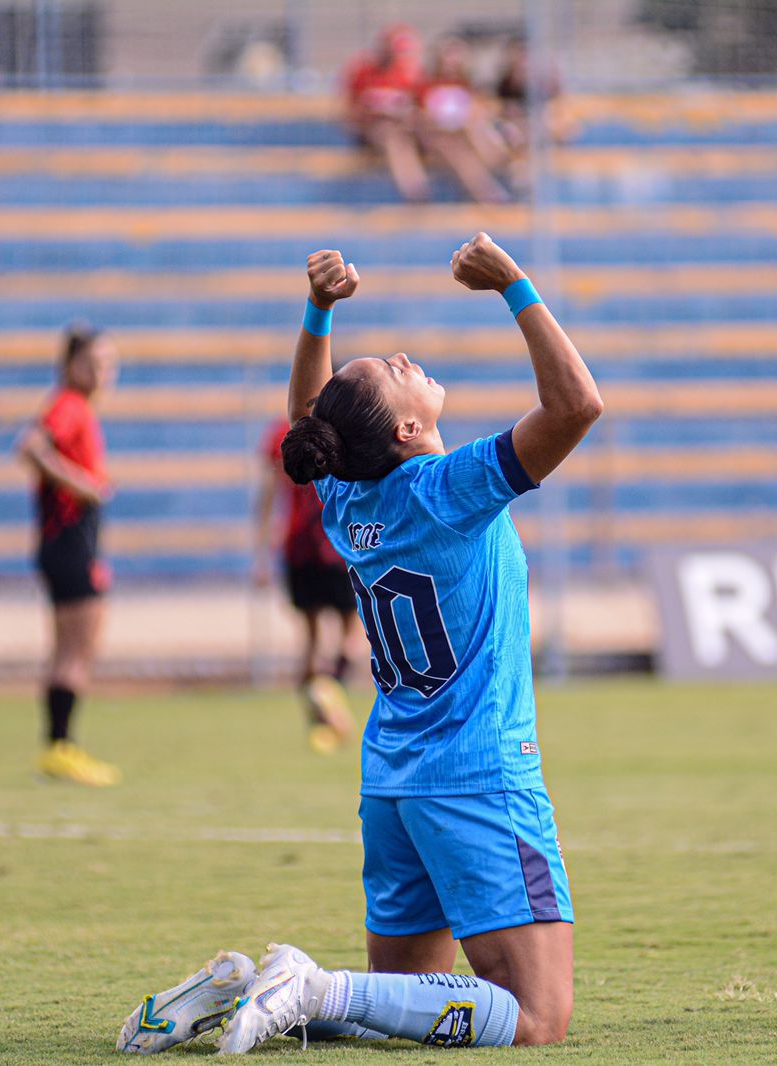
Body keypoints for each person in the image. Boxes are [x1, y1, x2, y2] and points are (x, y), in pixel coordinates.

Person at [117, 232, 601, 1054]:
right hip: (482, 773)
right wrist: (515, 284)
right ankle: (310, 987)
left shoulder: (344, 498)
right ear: (410, 427)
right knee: (537, 1020)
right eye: (395, 367)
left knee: (401, 1003)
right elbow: (577, 406)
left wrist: (318, 313)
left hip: (394, 780)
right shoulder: (450, 488)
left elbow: (312, 422)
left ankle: (248, 993)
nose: (406, 356)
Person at [15, 324, 121, 787]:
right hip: (70, 542)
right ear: (70, 365)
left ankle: (60, 747)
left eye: (108, 364)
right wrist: (84, 485)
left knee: (68, 651)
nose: (101, 372)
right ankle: (62, 747)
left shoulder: (77, 408)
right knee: (78, 651)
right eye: (92, 363)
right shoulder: (69, 405)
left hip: (64, 542)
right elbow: (31, 446)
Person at [253, 414, 362, 754]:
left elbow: (268, 495)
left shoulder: (284, 432)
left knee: (314, 640)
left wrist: (262, 552)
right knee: (353, 632)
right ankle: (331, 696)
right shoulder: (349, 425)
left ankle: (321, 719)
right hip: (337, 545)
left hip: (306, 545)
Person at [416, 35, 511, 204]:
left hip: (467, 136)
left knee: (476, 130)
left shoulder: (466, 85)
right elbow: (423, 118)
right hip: (440, 139)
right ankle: (489, 195)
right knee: (457, 150)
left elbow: (478, 112)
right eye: (448, 55)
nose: (451, 61)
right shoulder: (426, 86)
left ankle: (501, 170)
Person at [343, 24, 432, 203]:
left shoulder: (408, 72)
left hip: (404, 129)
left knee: (403, 133)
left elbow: (420, 107)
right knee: (392, 136)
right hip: (374, 131)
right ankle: (415, 191)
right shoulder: (363, 71)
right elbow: (350, 112)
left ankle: (417, 188)